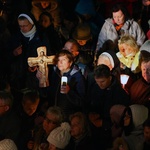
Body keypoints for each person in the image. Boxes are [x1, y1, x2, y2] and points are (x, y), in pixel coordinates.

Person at [86, 64, 130, 149]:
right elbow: (88, 102)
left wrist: (104, 124)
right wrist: (90, 114)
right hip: (94, 131)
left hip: (110, 135)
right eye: (97, 81)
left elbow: (123, 118)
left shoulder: (120, 94)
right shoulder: (94, 87)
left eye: (102, 81)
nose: (100, 85)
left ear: (109, 78)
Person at [37, 50, 86, 120]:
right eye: (59, 59)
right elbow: (46, 93)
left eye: (64, 60)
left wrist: (69, 92)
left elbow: (81, 102)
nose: (60, 62)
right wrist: (41, 80)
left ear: (70, 62)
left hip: (66, 117)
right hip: (52, 115)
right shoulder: (53, 73)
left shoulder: (77, 77)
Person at [8, 12, 50, 90]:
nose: (22, 28)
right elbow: (6, 56)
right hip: (18, 78)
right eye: (20, 26)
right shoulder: (16, 38)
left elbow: (48, 56)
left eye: (25, 25)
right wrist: (14, 53)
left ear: (32, 23)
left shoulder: (41, 37)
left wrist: (37, 65)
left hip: (35, 79)